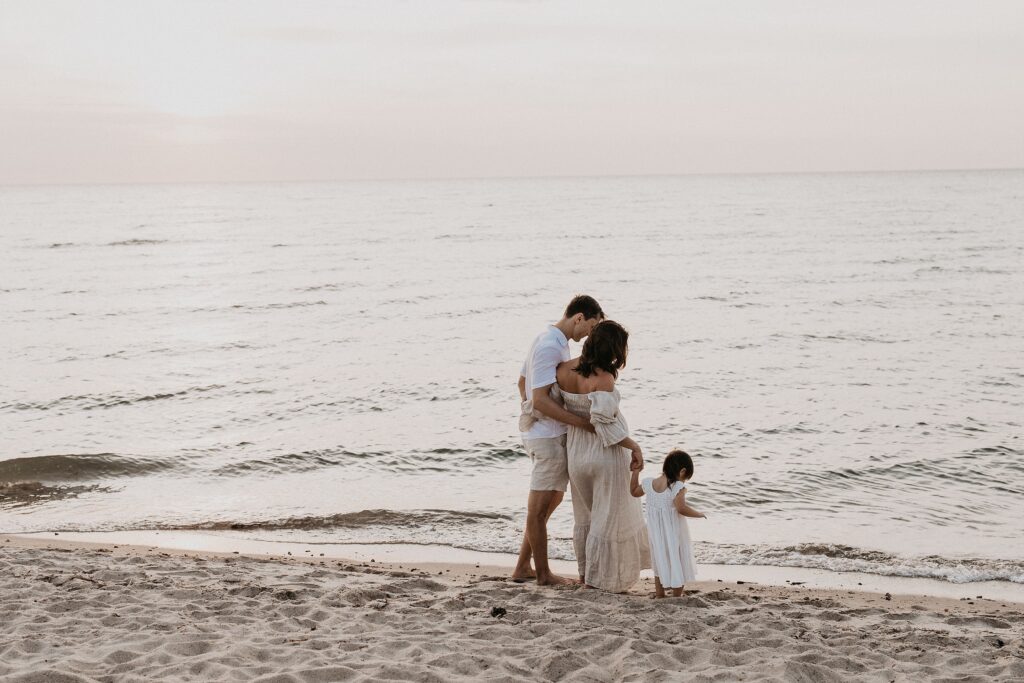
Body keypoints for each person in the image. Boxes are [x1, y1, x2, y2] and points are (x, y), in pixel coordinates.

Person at [513, 295, 604, 586]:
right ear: (579, 317)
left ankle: (523, 568)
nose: (590, 333)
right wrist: (581, 423)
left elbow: (522, 383)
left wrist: (531, 413)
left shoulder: (552, 340)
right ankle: (543, 575)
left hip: (544, 434)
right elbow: (539, 399)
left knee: (548, 505)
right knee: (539, 511)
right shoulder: (551, 345)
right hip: (548, 439)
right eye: (591, 326)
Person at [555, 320, 650, 592]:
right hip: (605, 456)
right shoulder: (604, 379)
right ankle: (601, 581)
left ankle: (586, 575)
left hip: (576, 454)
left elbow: (551, 404)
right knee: (607, 519)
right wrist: (634, 446)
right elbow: (604, 425)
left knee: (584, 517)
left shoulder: (563, 370)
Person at [630, 449, 706, 598]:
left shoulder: (649, 483)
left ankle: (660, 594)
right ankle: (677, 595)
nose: (684, 481)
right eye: (686, 478)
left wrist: (636, 472)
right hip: (673, 532)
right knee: (678, 558)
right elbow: (681, 508)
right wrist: (699, 514)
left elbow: (633, 491)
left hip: (656, 534)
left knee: (659, 560)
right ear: (682, 471)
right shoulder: (677, 486)